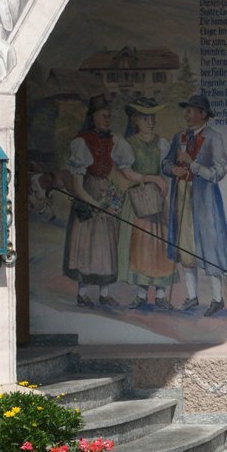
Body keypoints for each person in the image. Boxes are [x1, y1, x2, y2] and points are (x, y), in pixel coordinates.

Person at [163, 92, 227, 316]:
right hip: (181, 197)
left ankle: (216, 299)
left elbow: (220, 170)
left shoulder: (213, 137)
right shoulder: (180, 137)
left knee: (210, 247)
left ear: (203, 114)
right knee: (186, 249)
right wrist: (172, 169)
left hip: (204, 201)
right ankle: (192, 296)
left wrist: (193, 165)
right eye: (186, 110)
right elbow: (165, 163)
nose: (186, 114)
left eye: (191, 110)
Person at [63, 95, 126, 308]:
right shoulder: (82, 142)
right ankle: (82, 293)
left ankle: (104, 293)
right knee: (86, 243)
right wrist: (95, 203)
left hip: (105, 191)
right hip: (88, 193)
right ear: (93, 117)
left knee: (105, 244)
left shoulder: (113, 141)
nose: (107, 120)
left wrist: (112, 197)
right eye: (103, 116)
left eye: (109, 116)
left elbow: (123, 169)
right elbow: (77, 186)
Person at [118, 100, 175, 310]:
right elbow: (127, 173)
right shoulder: (128, 144)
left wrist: (164, 182)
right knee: (141, 246)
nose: (150, 122)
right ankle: (141, 294)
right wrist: (151, 178)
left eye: (152, 118)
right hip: (139, 200)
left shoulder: (162, 143)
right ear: (135, 120)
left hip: (158, 200)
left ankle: (160, 295)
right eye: (145, 118)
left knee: (159, 246)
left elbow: (167, 169)